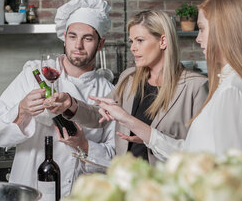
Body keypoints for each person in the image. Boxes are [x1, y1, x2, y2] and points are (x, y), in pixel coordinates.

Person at [83, 0, 242, 166]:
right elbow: (193, 154)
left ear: (223, 30)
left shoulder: (231, 91)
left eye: (201, 28)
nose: (197, 38)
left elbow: (232, 174)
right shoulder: (230, 85)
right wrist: (133, 124)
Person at [0, 0, 116, 197]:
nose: (78, 46)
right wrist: (22, 111)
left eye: (87, 38)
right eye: (72, 36)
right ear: (64, 37)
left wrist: (84, 144)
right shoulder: (35, 73)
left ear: (100, 44)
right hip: (30, 198)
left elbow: (116, 159)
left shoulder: (107, 92)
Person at [47, 9, 208, 165]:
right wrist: (70, 104)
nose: (133, 47)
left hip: (165, 186)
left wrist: (136, 127)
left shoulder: (196, 87)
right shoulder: (129, 77)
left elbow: (201, 152)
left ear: (163, 41)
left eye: (140, 40)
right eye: (132, 41)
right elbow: (99, 116)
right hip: (128, 181)